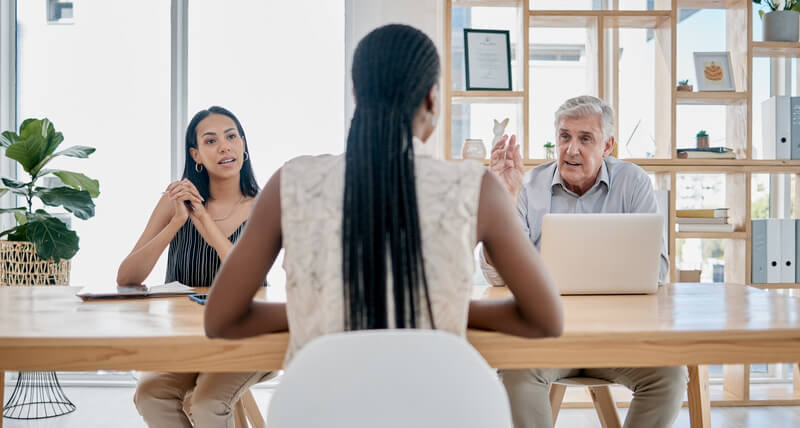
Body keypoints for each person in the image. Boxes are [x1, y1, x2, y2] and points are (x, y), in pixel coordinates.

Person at [203, 24, 563, 370]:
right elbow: (545, 319)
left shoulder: (290, 182)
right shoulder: (476, 187)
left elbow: (221, 320)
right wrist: (437, 308)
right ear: (431, 99)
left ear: (358, 96)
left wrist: (322, 310)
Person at [482, 95, 687, 428]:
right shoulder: (526, 187)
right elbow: (494, 274)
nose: (571, 149)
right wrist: (502, 203)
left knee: (670, 377)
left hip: (617, 338)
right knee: (516, 373)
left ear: (607, 145)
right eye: (564, 136)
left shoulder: (633, 183)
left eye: (584, 138)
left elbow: (658, 272)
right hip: (544, 338)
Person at [116, 106, 272, 427]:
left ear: (243, 145)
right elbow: (127, 277)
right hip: (185, 339)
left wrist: (204, 221)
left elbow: (248, 275)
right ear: (196, 154)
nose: (224, 146)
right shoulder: (176, 202)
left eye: (231, 137)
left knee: (208, 403)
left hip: (246, 338)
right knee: (150, 394)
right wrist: (176, 223)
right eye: (211, 140)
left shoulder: (264, 205)